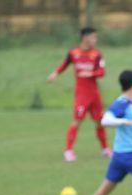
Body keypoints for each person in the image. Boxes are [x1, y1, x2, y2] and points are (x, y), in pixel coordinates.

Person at [47, 27, 109, 162]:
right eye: (93, 37)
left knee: (100, 121)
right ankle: (68, 151)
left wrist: (91, 73)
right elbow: (64, 65)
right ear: (85, 37)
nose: (95, 40)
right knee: (77, 121)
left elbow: (102, 72)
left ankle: (105, 149)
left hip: (95, 94)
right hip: (81, 95)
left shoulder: (97, 54)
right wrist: (55, 74)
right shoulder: (73, 53)